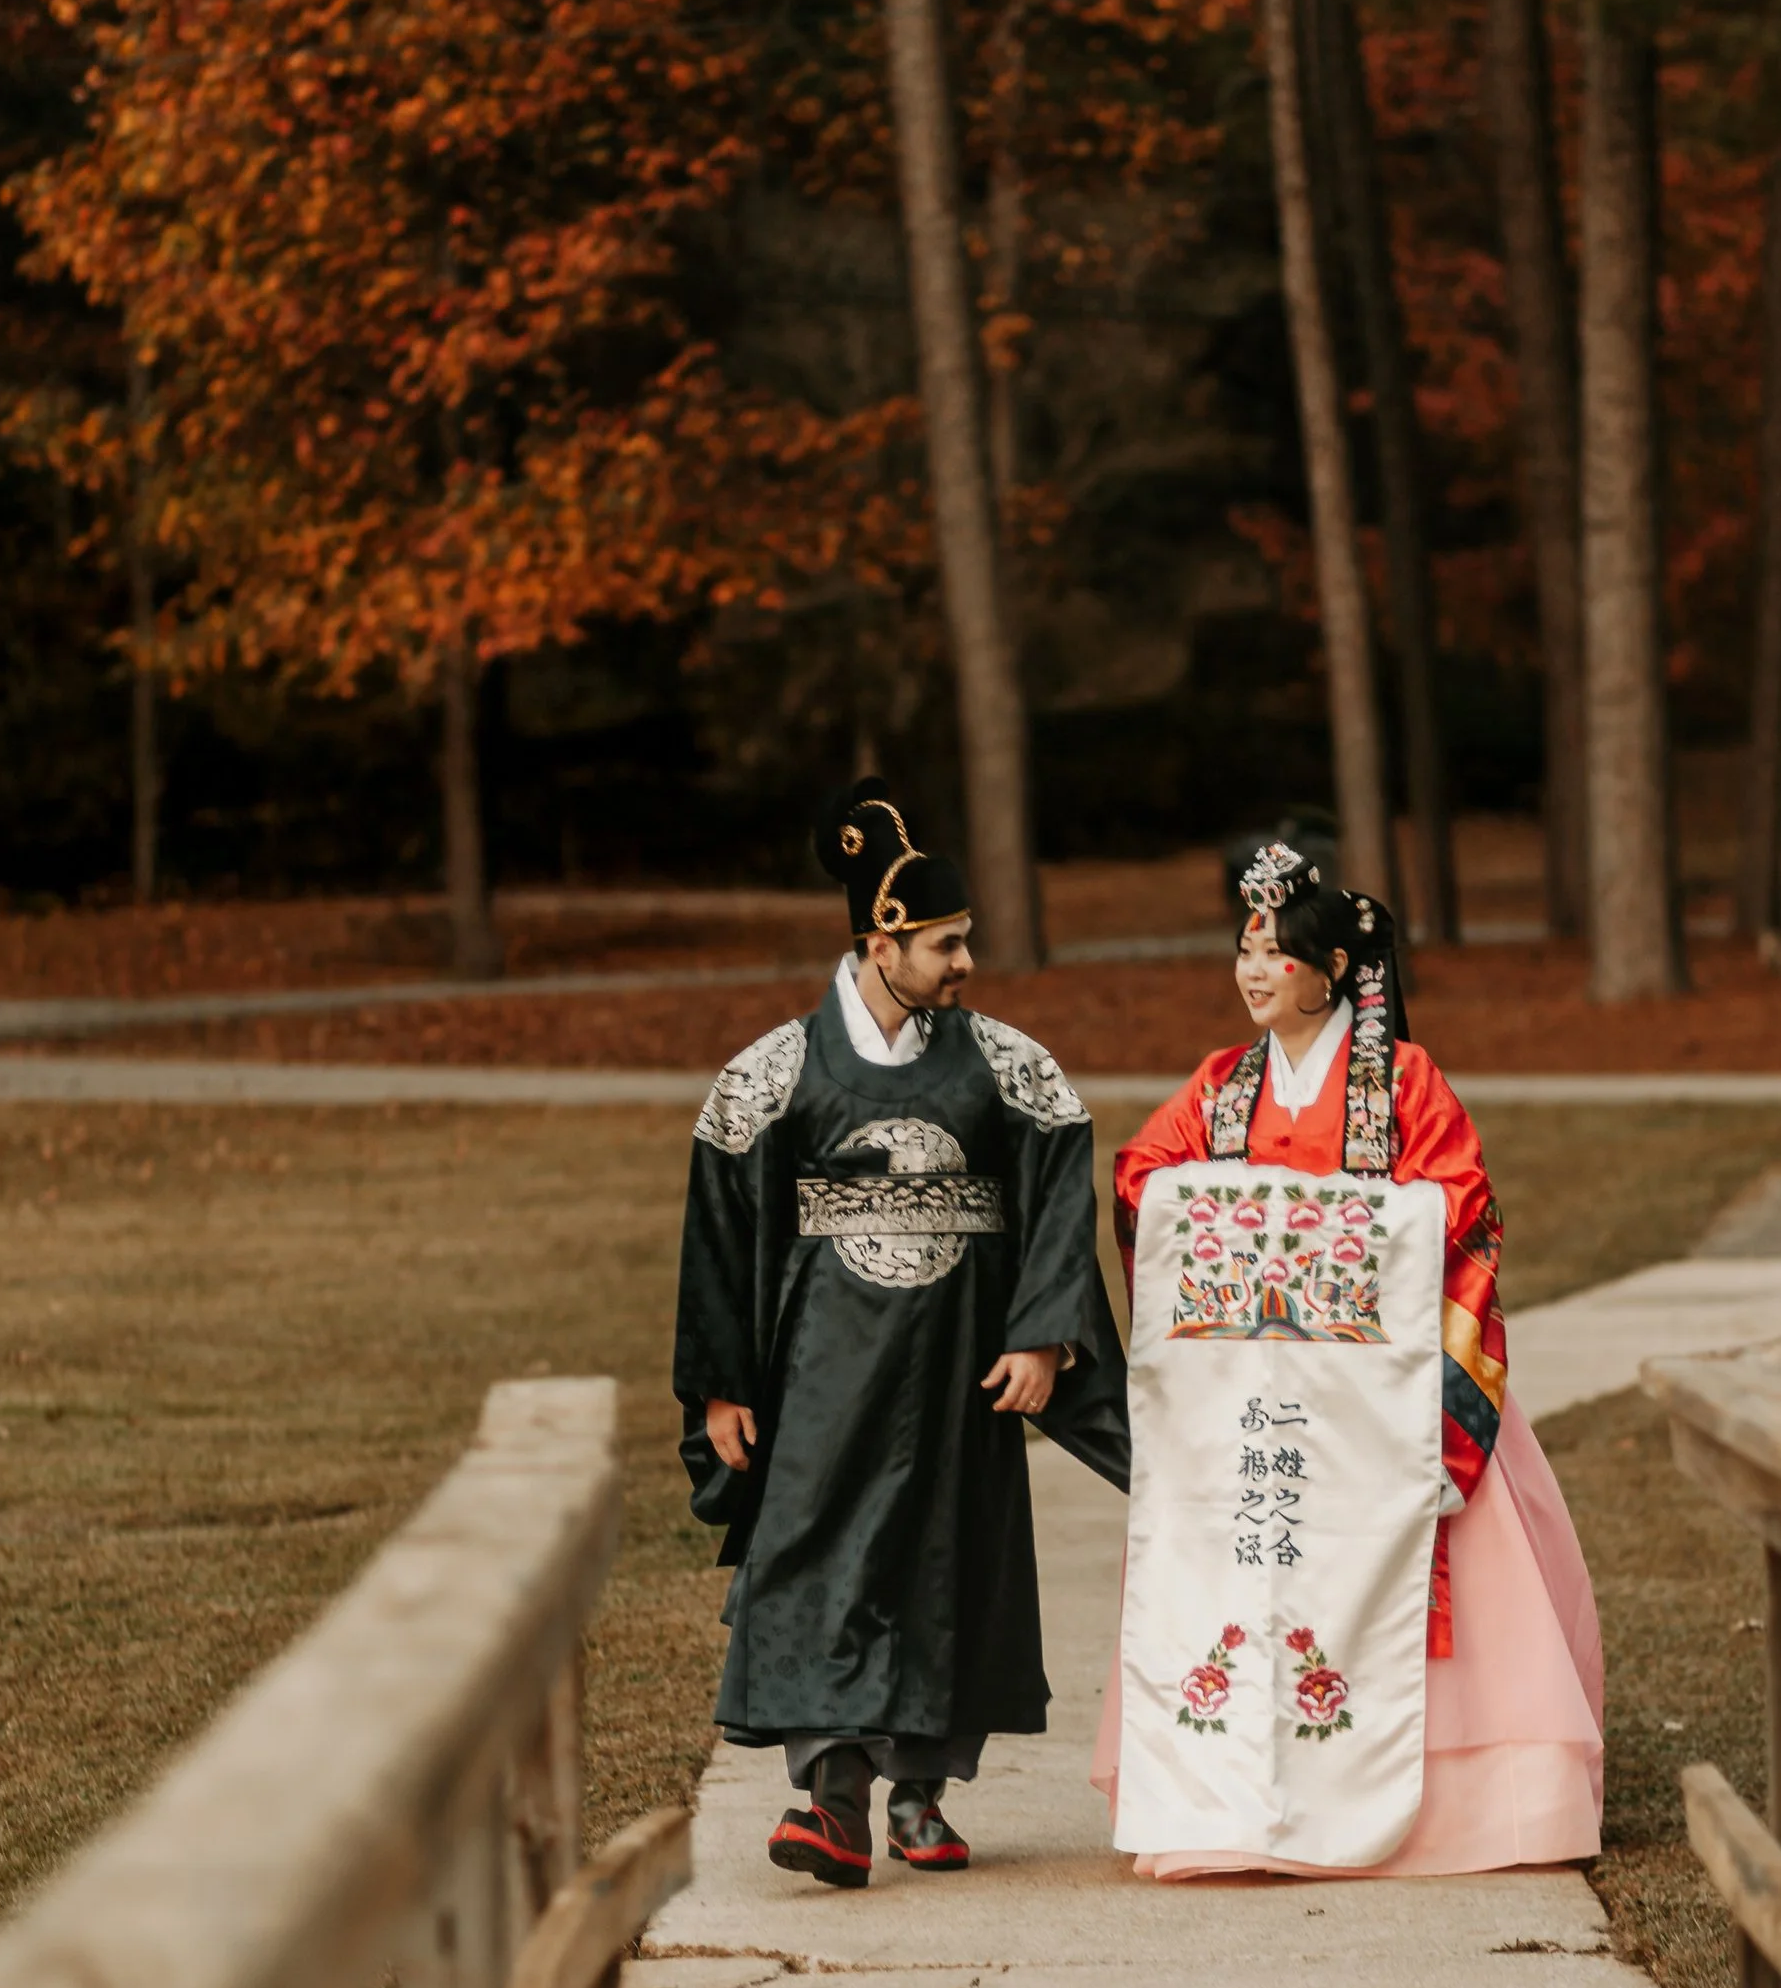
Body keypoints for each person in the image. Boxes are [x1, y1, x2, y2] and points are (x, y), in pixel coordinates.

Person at [1094, 838, 1602, 1880]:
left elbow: (1461, 1206)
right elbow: (1146, 1176)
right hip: (1255, 1401)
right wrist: (1242, 1217)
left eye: (1273, 954)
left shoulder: (1403, 1084)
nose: (1249, 972)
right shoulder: (1220, 1086)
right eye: (1242, 949)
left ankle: (1451, 1809)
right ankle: (1230, 1797)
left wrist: (1327, 1229)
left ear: (1327, 972)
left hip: (1381, 1396)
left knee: (1405, 1580)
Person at [675, 779, 1129, 1887]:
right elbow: (724, 1230)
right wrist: (722, 1384)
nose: (965, 962)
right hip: (823, 1364)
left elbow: (1060, 1186)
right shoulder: (777, 1068)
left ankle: (922, 1791)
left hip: (963, 1362)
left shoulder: (1008, 1064)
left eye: (963, 940)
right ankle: (831, 1798)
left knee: (947, 1552)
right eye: (944, 943)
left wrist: (1043, 1336)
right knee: (816, 1547)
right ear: (882, 941)